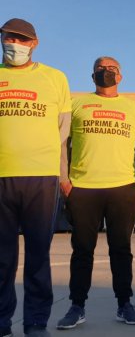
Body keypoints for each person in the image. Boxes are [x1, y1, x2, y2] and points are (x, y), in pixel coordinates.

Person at [56, 57, 135, 330]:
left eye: (111, 69)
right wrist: (64, 180)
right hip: (83, 189)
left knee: (121, 249)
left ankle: (125, 304)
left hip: (122, 189)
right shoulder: (77, 105)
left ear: (120, 76)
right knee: (82, 250)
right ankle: (77, 306)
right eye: (100, 69)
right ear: (92, 75)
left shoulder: (134, 108)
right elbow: (61, 143)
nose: (106, 72)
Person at [0, 18, 71, 337]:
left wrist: (46, 159)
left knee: (38, 255)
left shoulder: (54, 78)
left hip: (41, 178)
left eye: (22, 39)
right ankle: (2, 321)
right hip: (1, 177)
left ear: (34, 43)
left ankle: (36, 321)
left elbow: (63, 128)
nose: (15, 43)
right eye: (9, 37)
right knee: (2, 257)